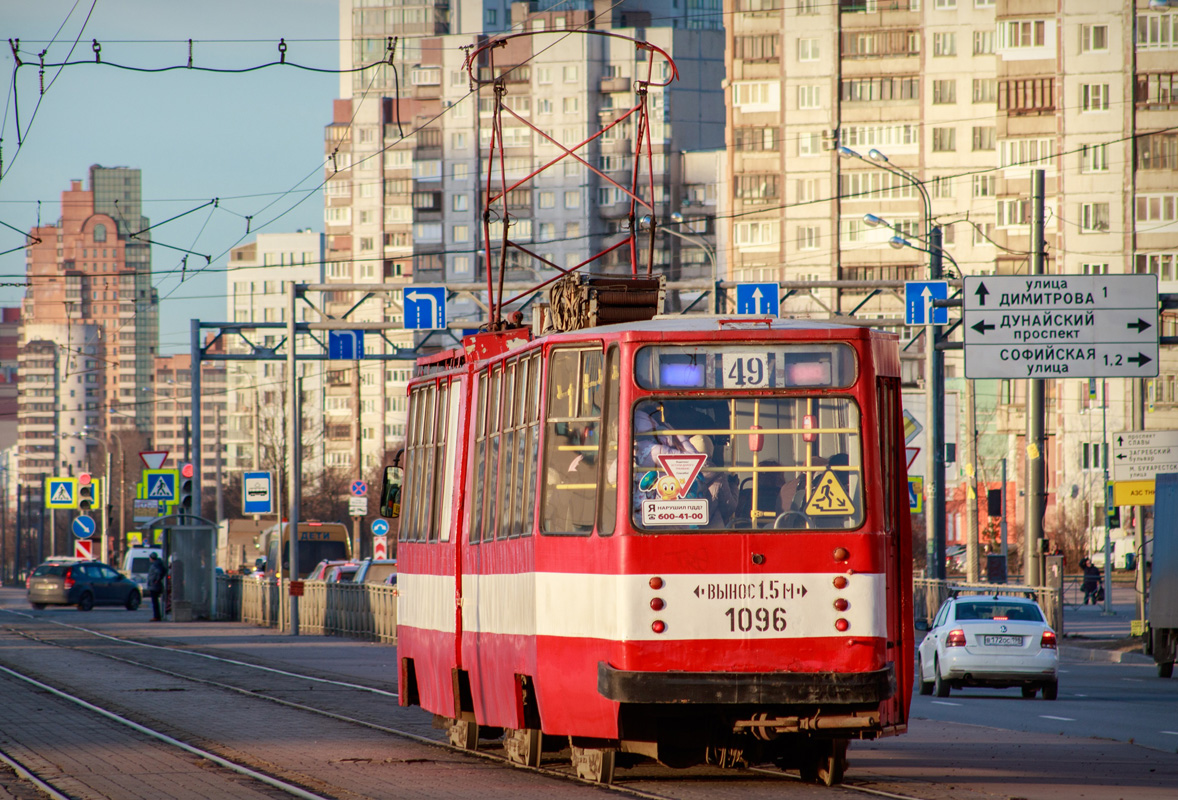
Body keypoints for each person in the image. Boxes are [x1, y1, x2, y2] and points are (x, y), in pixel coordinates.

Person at [146, 551, 166, 621]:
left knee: (155, 602)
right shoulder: (159, 564)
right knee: (155, 602)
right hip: (155, 585)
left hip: (154, 586)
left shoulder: (155, 565)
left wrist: (156, 580)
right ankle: (157, 616)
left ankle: (156, 616)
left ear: (151, 558)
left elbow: (159, 572)